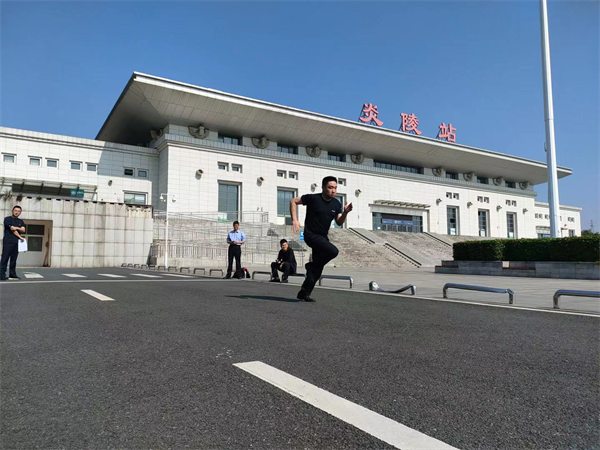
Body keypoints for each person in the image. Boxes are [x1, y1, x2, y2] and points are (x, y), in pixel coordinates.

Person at [290, 176, 352, 301]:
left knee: (317, 269)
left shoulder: (336, 203)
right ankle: (311, 266)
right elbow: (293, 201)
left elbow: (339, 222)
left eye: (335, 188)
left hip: (323, 237)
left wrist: (345, 212)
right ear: (323, 187)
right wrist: (295, 220)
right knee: (333, 251)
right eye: (330, 187)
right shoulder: (313, 198)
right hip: (311, 235)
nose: (333, 190)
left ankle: (304, 292)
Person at [1, 205, 26, 281]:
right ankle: (1, 275)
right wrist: (20, 237)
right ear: (12, 211)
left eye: (18, 211)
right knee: (5, 258)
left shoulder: (20, 221)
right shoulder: (7, 219)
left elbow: (23, 230)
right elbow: (12, 230)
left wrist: (16, 227)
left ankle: (12, 274)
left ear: (20, 212)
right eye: (15, 211)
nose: (17, 212)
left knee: (14, 259)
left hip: (16, 243)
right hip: (8, 242)